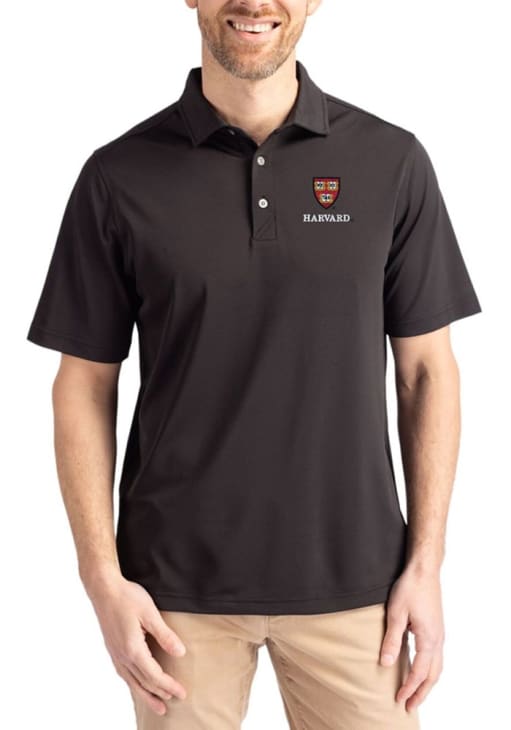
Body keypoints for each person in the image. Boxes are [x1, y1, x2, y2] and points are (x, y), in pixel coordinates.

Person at [26, 1, 482, 728]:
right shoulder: (118, 175)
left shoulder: (391, 161)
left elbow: (427, 370)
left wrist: (425, 566)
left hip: (359, 588)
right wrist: (101, 578)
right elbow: (83, 383)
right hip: (174, 596)